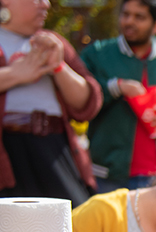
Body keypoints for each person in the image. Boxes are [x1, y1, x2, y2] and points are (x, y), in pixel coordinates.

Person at [80, 0, 156, 193]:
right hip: (108, 175)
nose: (130, 21)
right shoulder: (96, 55)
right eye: (126, 14)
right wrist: (115, 87)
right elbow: (80, 101)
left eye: (140, 17)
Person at [0, 0, 102, 206]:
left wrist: (59, 67)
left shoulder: (54, 41)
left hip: (54, 151)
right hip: (7, 155)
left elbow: (88, 103)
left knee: (70, 226)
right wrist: (14, 74)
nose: (45, 5)